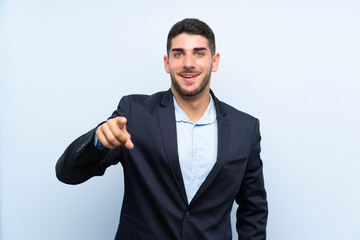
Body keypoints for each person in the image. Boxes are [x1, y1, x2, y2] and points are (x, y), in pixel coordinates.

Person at [56, 18, 268, 240]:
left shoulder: (245, 127)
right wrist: (98, 141)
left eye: (198, 53)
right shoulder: (134, 114)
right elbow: (67, 174)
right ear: (167, 63)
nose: (188, 63)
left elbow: (253, 211)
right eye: (178, 54)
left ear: (214, 61)